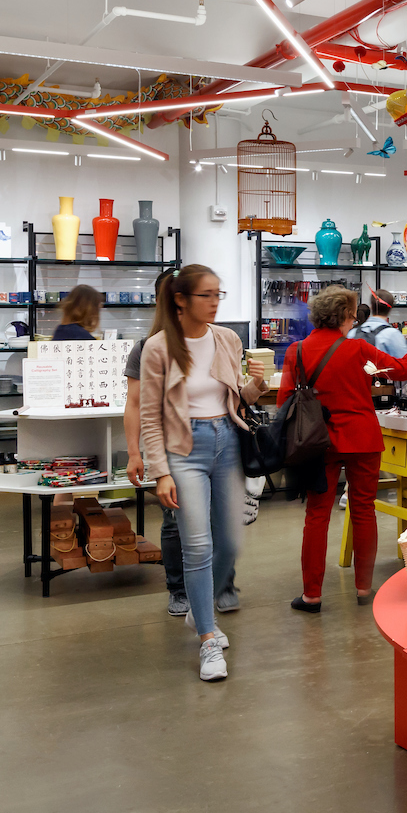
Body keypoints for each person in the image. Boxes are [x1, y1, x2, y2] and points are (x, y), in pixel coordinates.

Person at [137, 264, 270, 682]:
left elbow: (235, 398)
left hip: (227, 441)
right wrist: (160, 471)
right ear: (181, 300)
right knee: (198, 545)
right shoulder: (157, 348)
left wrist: (257, 388)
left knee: (229, 542)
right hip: (184, 449)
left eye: (218, 294)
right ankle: (209, 637)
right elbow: (150, 415)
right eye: (206, 295)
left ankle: (199, 609)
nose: (215, 302)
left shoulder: (227, 339)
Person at [278, 283, 407, 612]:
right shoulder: (358, 351)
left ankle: (312, 595)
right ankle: (364, 589)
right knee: (363, 511)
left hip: (317, 443)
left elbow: (284, 402)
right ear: (347, 318)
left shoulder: (297, 352)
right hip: (362, 438)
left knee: (316, 516)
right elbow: (401, 370)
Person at [124, 325, 186, 619]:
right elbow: (134, 403)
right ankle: (178, 588)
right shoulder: (146, 347)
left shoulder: (211, 339)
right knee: (173, 517)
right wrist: (134, 453)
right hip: (166, 445)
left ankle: (217, 584)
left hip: (207, 443)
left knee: (213, 519)